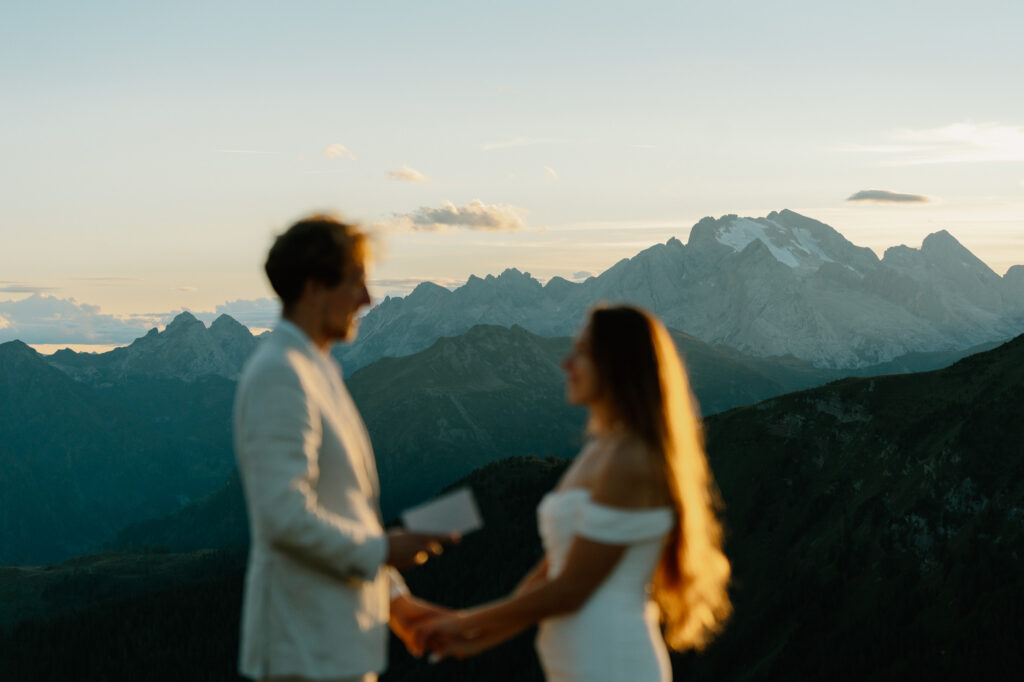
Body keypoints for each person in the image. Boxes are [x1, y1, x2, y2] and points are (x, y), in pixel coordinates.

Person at [415, 305, 732, 681]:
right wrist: (478, 636)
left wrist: (462, 622)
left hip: (613, 664)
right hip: (584, 663)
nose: (565, 364)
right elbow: (552, 570)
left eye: (582, 353)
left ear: (618, 366)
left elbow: (572, 589)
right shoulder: (602, 449)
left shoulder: (630, 458)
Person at [233, 214, 455, 682]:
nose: (368, 299)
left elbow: (340, 509)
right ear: (314, 288)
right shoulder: (281, 374)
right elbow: (283, 515)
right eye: (356, 282)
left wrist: (394, 598)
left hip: (333, 647)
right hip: (304, 650)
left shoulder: (317, 370)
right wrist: (383, 549)